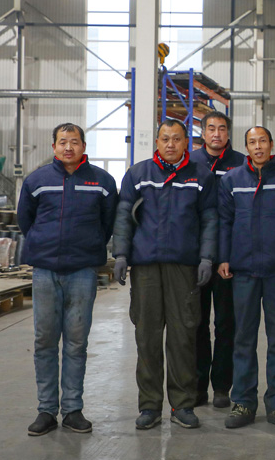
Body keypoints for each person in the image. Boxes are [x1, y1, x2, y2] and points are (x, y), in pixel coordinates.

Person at [112, 120, 218, 430]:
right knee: (146, 337)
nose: (170, 144)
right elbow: (124, 215)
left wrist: (207, 257)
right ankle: (149, 406)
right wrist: (121, 254)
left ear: (187, 143)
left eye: (176, 139)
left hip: (184, 266)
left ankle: (182, 405)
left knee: (183, 337)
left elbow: (210, 219)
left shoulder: (201, 176)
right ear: (157, 142)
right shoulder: (138, 174)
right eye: (165, 139)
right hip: (146, 266)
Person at [17, 123, 118, 436]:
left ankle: (73, 409)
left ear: (83, 146)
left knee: (76, 342)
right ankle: (46, 410)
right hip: (45, 270)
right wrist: (45, 243)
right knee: (44, 341)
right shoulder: (36, 180)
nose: (68, 147)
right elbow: (25, 220)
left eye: (74, 142)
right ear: (54, 147)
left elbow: (108, 223)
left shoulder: (102, 181)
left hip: (82, 271)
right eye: (63, 142)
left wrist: (89, 246)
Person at [218, 126, 275, 430]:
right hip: (243, 270)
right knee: (243, 338)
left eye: (262, 141)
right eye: (252, 142)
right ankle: (243, 401)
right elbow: (224, 222)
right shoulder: (232, 180)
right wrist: (224, 257)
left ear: (271, 144)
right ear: (246, 147)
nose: (258, 147)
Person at [190, 111, 245, 409]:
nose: (216, 134)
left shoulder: (241, 163)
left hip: (229, 258)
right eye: (211, 128)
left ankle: (222, 386)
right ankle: (198, 386)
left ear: (228, 133)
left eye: (222, 129)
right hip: (195, 256)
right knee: (196, 324)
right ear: (203, 132)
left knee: (226, 325)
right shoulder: (189, 163)